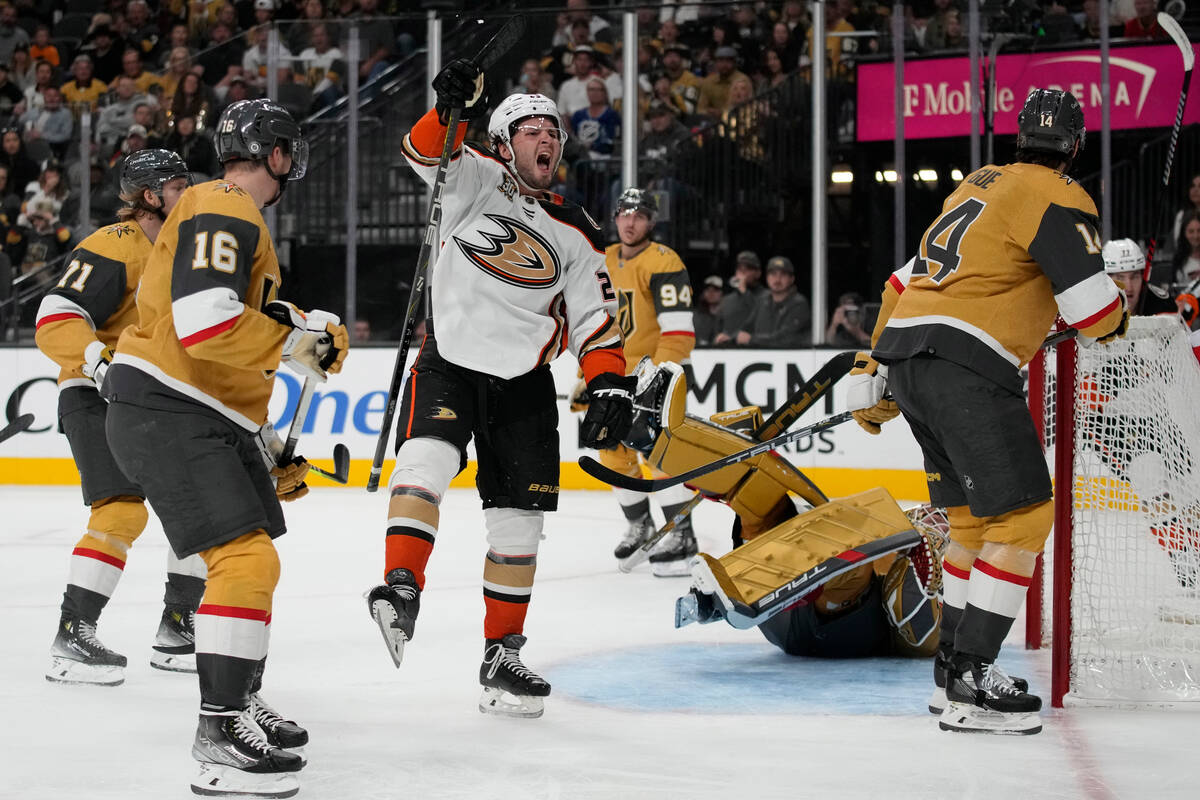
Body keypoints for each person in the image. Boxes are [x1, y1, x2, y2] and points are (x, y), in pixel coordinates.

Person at [847, 88, 1129, 735]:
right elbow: (1093, 310)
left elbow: (899, 282)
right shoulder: (1058, 194)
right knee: (1027, 515)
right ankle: (973, 680)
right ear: (1076, 147)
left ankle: (950, 675)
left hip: (911, 361)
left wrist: (873, 365)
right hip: (969, 368)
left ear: (1018, 135)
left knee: (973, 524)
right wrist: (1120, 317)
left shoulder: (975, 187)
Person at [365, 65, 633, 720]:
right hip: (450, 361)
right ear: (503, 141)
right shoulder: (474, 177)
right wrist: (444, 107)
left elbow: (595, 322)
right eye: (531, 130)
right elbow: (425, 149)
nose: (545, 140)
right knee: (424, 462)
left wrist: (607, 387)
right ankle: (401, 588)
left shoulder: (578, 229)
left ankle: (501, 654)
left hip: (524, 383)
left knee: (519, 525)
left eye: (553, 133)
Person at [102, 99, 348, 797]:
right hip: (167, 408)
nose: (291, 160)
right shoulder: (225, 202)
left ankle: (239, 700)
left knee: (254, 559)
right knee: (245, 557)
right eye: (288, 148)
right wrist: (300, 342)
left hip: (195, 411)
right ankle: (219, 731)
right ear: (275, 152)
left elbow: (237, 329)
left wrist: (268, 444)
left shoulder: (229, 211)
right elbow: (207, 325)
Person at [35, 150, 204, 686]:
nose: (190, 194)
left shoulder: (182, 252)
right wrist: (98, 362)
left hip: (150, 401)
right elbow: (56, 315)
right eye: (178, 186)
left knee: (199, 508)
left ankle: (179, 628)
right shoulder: (115, 243)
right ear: (151, 196)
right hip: (93, 394)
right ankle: (74, 633)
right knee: (121, 513)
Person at [586, 187, 697, 575]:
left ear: (651, 221)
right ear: (615, 218)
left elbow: (679, 330)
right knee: (612, 453)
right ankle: (640, 525)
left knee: (659, 455)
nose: (630, 222)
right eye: (624, 214)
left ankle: (681, 533)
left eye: (639, 215)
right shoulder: (603, 257)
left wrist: (658, 378)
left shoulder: (663, 261)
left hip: (650, 377)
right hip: (610, 373)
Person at [731, 255, 810, 348]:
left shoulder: (799, 304)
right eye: (773, 274)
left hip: (790, 359)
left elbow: (786, 339)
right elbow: (746, 328)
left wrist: (751, 339)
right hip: (761, 358)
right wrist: (731, 337)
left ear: (791, 279)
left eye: (783, 274)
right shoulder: (762, 301)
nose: (777, 279)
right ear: (767, 278)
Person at [713, 250, 765, 344]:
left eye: (748, 269)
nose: (742, 273)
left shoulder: (767, 297)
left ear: (758, 273)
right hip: (730, 353)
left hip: (756, 350)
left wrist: (744, 291)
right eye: (740, 269)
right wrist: (718, 338)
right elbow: (717, 330)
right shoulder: (726, 300)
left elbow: (761, 315)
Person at [693, 274, 724, 346]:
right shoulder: (695, 316)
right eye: (707, 289)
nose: (711, 293)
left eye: (715, 290)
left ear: (722, 293)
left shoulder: (727, 315)